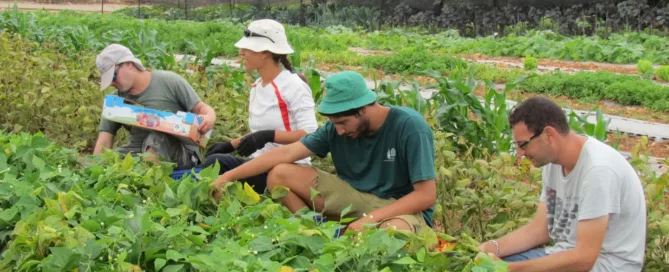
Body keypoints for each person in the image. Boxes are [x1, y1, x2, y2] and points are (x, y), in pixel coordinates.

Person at [211, 71, 437, 233]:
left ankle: (353, 232)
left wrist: (371, 219)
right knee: (279, 174)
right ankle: (316, 234)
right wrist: (227, 177)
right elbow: (283, 155)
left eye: (343, 123)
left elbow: (425, 195)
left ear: (363, 109)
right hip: (355, 198)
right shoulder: (334, 128)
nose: (338, 130)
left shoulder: (409, 127)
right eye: (333, 123)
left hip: (399, 208)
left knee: (392, 233)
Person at [479, 96, 646, 272]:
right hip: (563, 255)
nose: (520, 154)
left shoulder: (598, 171)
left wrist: (509, 269)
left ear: (549, 135)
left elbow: (584, 259)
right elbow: (539, 230)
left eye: (523, 145)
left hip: (606, 266)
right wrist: (490, 247)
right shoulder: (552, 164)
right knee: (483, 267)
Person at [202, 19, 318, 194]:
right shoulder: (257, 86)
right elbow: (259, 134)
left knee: (216, 168)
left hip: (285, 169)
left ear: (264, 53)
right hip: (258, 164)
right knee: (215, 161)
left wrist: (269, 136)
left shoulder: (293, 86)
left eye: (246, 49)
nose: (241, 53)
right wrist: (230, 145)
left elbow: (310, 134)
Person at [93, 43, 216, 170]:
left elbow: (202, 108)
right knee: (111, 160)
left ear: (128, 64)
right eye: (109, 81)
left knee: (157, 139)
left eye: (113, 76)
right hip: (138, 150)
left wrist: (210, 117)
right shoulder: (116, 101)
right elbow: (104, 142)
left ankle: (148, 183)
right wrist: (94, 172)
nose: (112, 83)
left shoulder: (170, 82)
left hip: (181, 152)